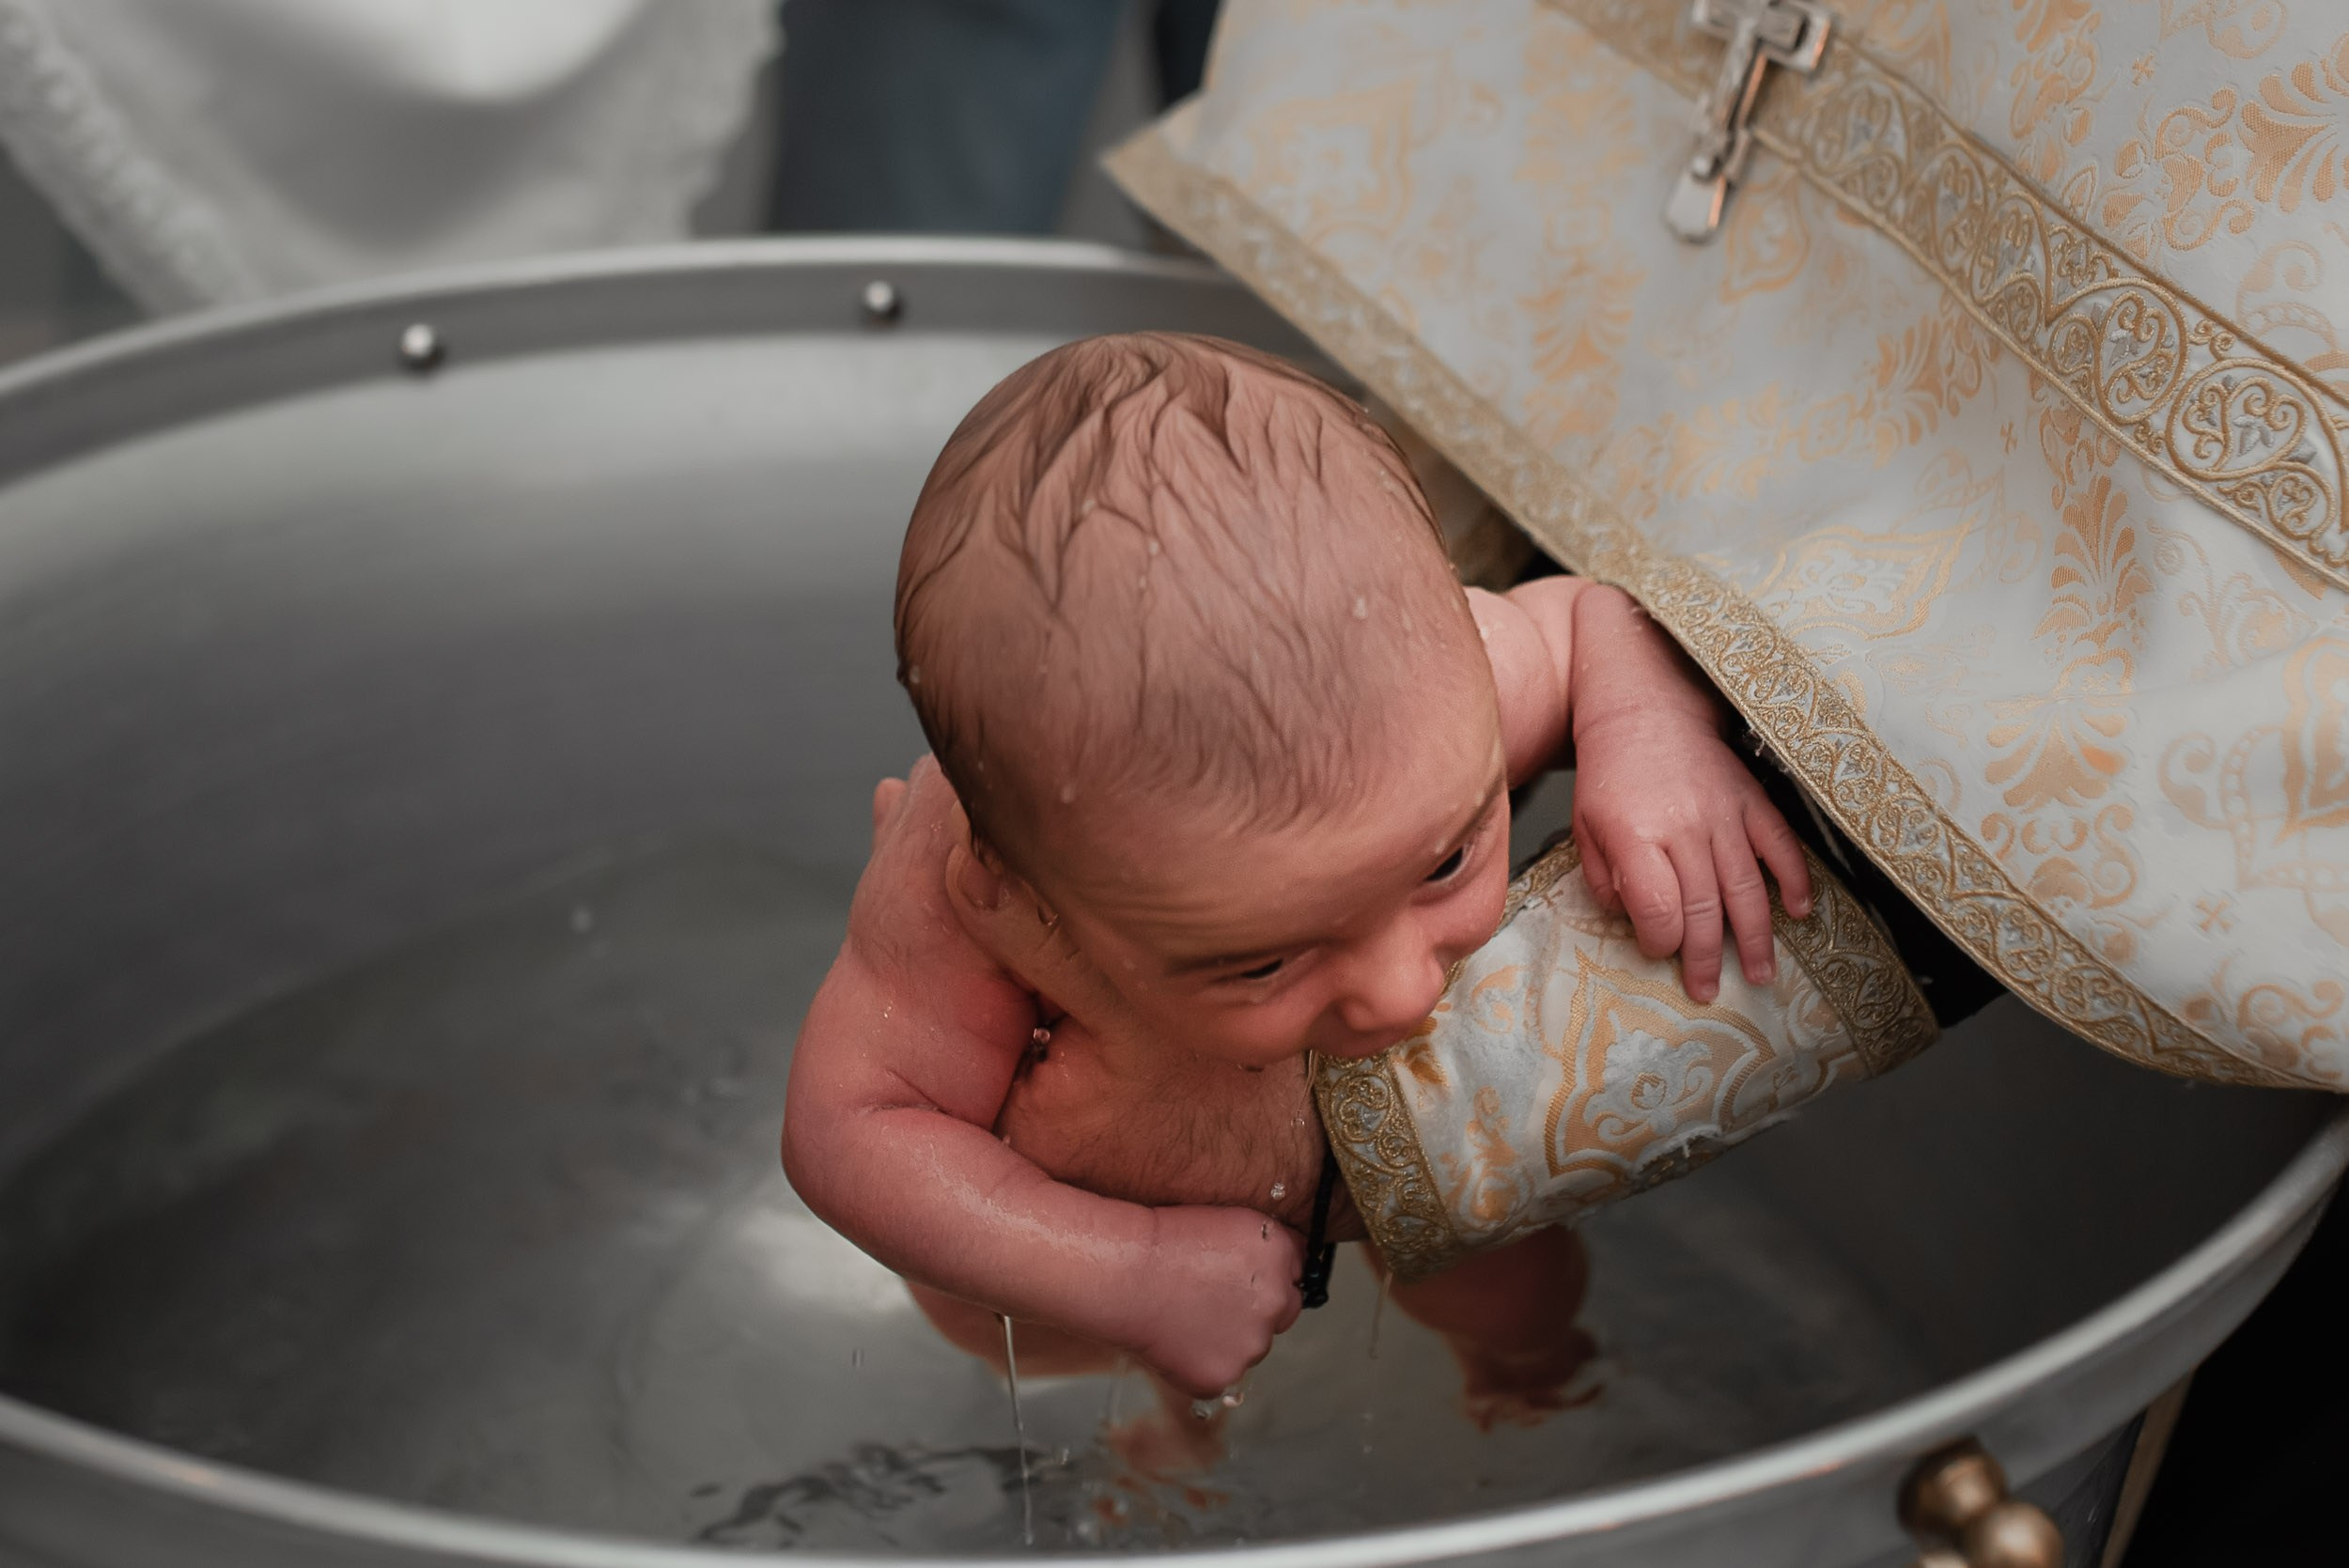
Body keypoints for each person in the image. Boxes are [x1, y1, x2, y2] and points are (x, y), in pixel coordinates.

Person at [783, 332, 1935, 1396]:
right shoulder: (961, 885)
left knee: (1511, 1292)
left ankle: (1531, 1376)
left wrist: (1648, 737)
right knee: (1031, 1347)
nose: (1402, 992)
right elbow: (851, 1131)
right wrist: (1125, 1272)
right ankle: (1167, 1412)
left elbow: (1584, 616)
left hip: (1371, 1149)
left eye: (1443, 861)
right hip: (1095, 1244)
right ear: (1021, 888)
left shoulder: (1426, 680)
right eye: (1260, 957)